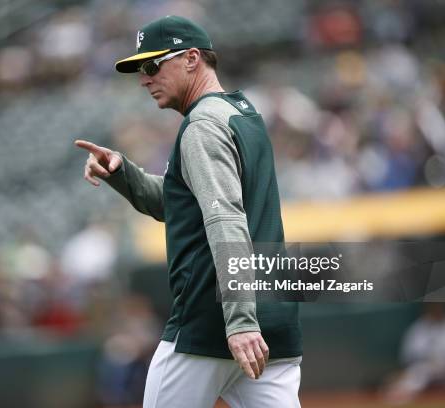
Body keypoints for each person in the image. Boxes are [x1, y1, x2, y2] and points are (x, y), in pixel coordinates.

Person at [75, 15, 302, 408]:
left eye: (151, 66)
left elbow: (224, 219)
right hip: (272, 316)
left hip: (213, 321)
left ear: (192, 58)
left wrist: (240, 320)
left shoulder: (201, 126)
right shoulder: (243, 114)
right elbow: (184, 205)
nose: (144, 79)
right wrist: (123, 173)